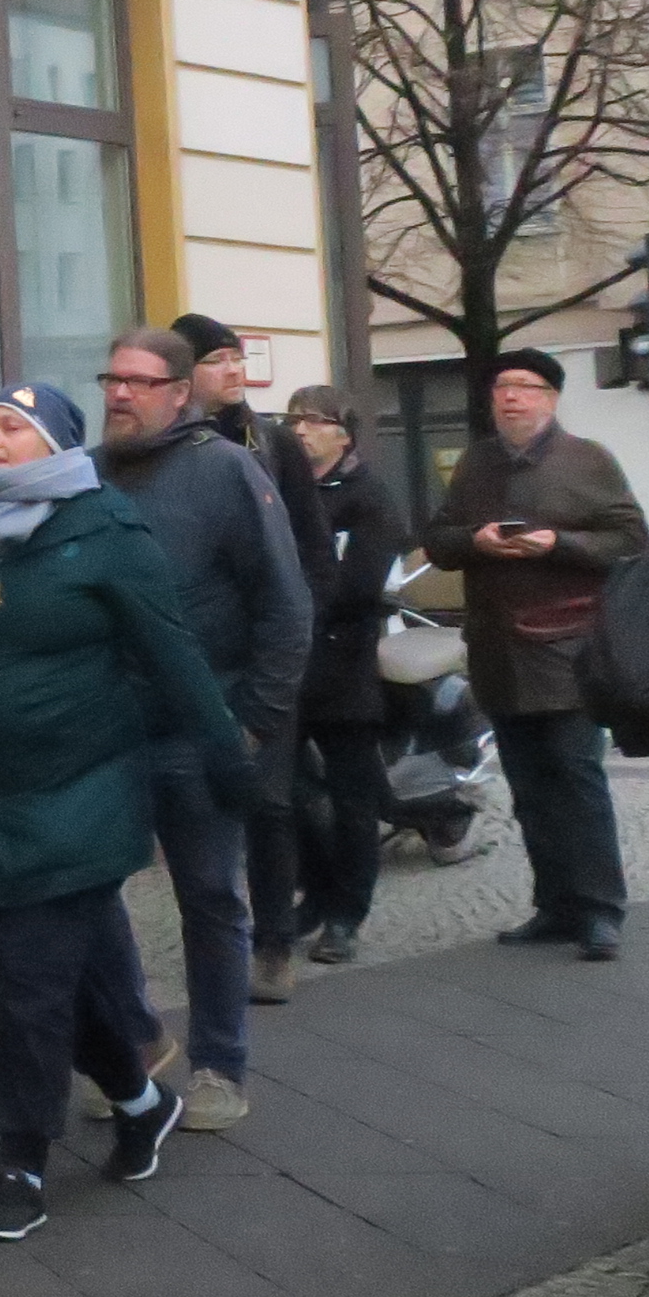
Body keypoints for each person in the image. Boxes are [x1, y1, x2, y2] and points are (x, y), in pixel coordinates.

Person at [0, 381, 248, 1240]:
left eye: (13, 427)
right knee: (67, 981)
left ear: (57, 446)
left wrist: (232, 764)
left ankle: (20, 1162)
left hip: (82, 793)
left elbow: (173, 656)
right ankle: (140, 1103)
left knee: (29, 985)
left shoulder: (106, 532)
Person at [93, 325, 308, 1130]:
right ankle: (139, 1039)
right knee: (89, 892)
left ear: (180, 394)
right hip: (107, 727)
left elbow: (286, 605)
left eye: (139, 382)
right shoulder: (88, 472)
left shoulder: (225, 470)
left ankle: (220, 1065)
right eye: (112, 379)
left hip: (202, 726)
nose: (119, 394)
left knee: (211, 897)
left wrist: (251, 725)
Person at [422, 350, 649, 961]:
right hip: (497, 650)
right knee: (528, 787)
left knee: (576, 778)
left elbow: (631, 540)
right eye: (502, 387)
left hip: (567, 649)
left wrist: (559, 542)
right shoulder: (475, 462)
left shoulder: (588, 459)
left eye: (524, 387)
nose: (510, 397)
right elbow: (438, 540)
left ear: (551, 398)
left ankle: (600, 910)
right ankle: (555, 905)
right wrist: (476, 541)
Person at [173, 316, 333, 1003]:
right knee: (188, 800)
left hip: (264, 653)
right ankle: (214, 937)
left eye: (236, 358)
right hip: (185, 654)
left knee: (268, 802)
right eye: (216, 360)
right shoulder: (161, 446)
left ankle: (274, 943)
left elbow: (314, 550)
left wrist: (296, 641)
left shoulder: (272, 442)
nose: (234, 370)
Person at [280, 385, 406, 966]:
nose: (299, 430)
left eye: (313, 421)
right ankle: (314, 893)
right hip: (285, 665)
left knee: (354, 797)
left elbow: (355, 585)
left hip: (342, 664)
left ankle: (345, 914)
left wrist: (289, 603)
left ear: (344, 435)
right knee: (289, 792)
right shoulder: (281, 488)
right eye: (293, 420)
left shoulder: (369, 497)